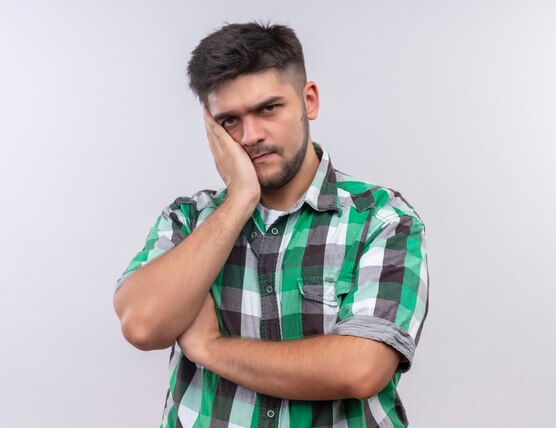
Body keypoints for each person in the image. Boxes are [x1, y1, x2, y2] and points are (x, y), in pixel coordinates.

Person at [114, 22, 429, 427]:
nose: (251, 135)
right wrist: (240, 199)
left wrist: (210, 348)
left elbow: (361, 368)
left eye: (268, 108)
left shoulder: (381, 218)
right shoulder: (188, 220)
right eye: (229, 120)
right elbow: (142, 325)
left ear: (308, 100)